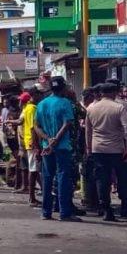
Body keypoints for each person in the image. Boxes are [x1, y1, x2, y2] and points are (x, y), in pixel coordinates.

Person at [85, 82, 127, 222]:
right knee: (124, 179)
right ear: (114, 93)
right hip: (117, 149)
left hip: (98, 149)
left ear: (101, 93)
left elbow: (88, 130)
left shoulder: (91, 108)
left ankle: (106, 211)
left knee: (102, 181)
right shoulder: (119, 107)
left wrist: (89, 148)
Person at [34, 76, 81, 221]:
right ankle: (64, 212)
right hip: (62, 147)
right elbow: (67, 124)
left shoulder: (42, 104)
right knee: (63, 178)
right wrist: (55, 141)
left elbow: (36, 126)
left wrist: (48, 140)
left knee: (47, 178)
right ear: (63, 88)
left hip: (46, 147)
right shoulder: (65, 103)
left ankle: (46, 212)